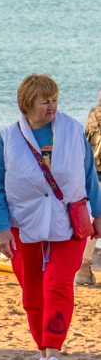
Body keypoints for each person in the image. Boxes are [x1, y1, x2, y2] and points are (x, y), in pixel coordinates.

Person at [0, 75, 101, 360]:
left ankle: (53, 356)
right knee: (32, 296)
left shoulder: (73, 130)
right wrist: (2, 229)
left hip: (70, 223)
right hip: (23, 225)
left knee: (57, 285)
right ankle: (42, 357)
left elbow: (89, 174)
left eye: (55, 100)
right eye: (45, 102)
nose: (52, 107)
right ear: (27, 105)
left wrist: (99, 213)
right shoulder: (9, 137)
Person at [81, 86, 101, 286]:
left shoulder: (92, 114)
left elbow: (86, 144)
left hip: (94, 172)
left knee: (95, 220)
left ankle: (83, 266)